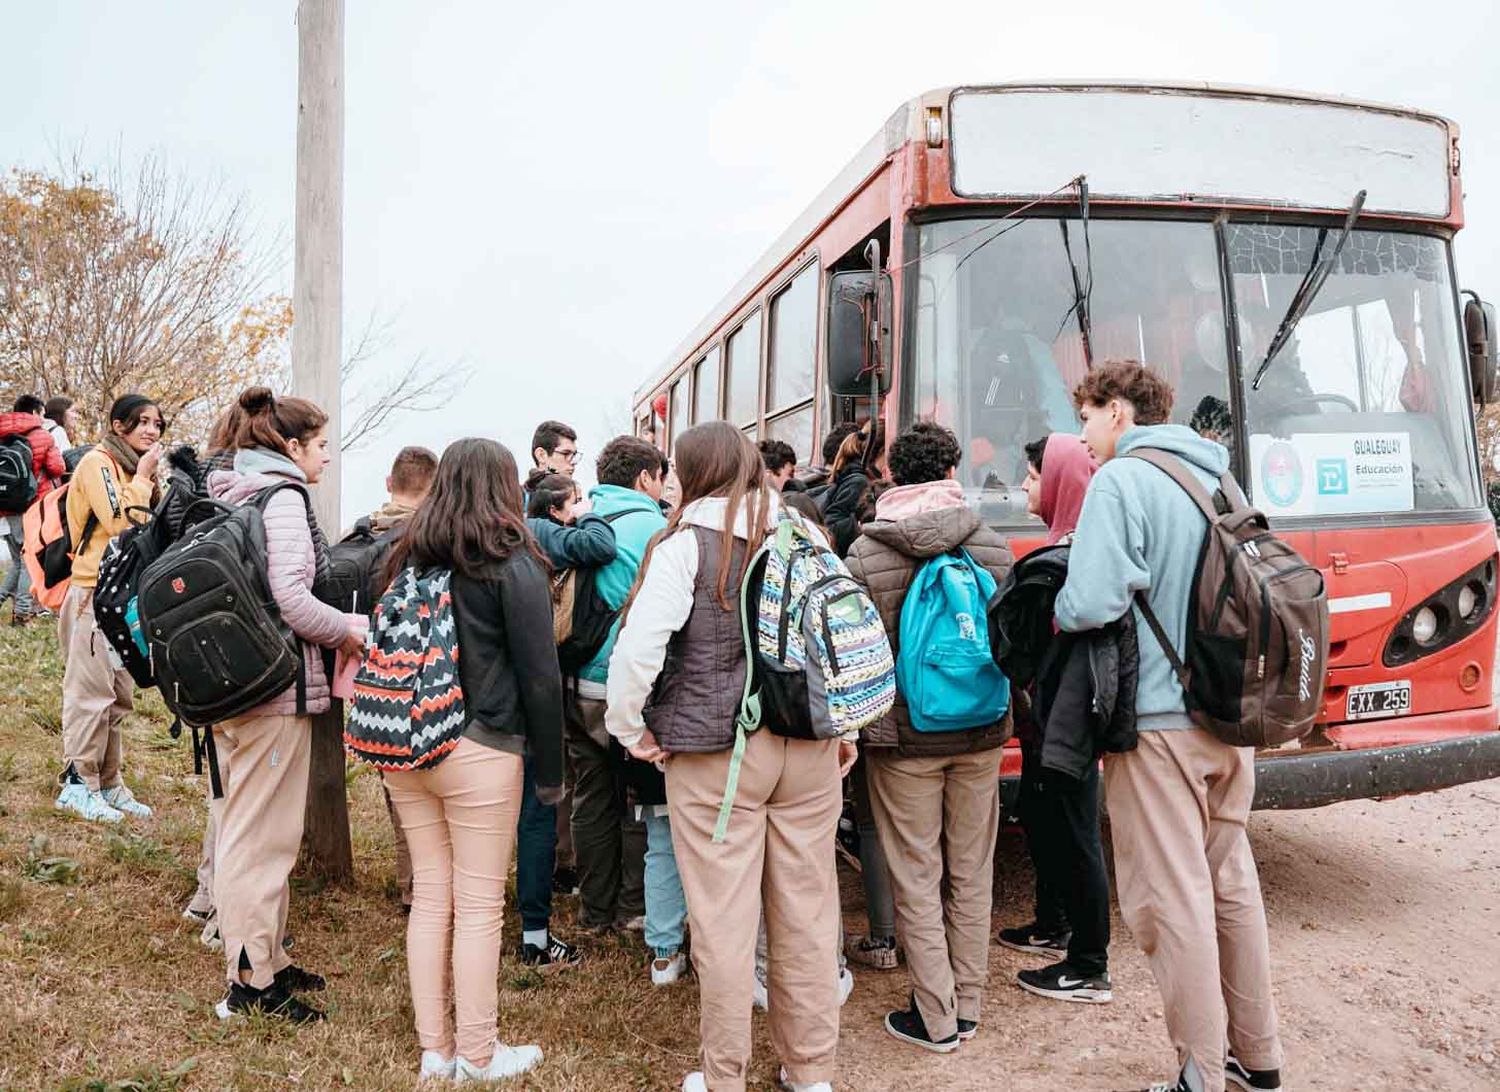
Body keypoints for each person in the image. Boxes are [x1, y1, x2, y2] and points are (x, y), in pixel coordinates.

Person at [1054, 360, 1282, 1092]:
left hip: (1157, 723)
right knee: (1230, 886)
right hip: (1230, 714)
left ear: (1118, 412)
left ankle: (1199, 1074)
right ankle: (1259, 1057)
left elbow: (1088, 602)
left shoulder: (1121, 481)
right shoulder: (1222, 478)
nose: (1082, 435)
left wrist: (1055, 608)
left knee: (1170, 898)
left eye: (1087, 417)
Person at [606, 421, 850, 1092]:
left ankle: (723, 1077)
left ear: (693, 472)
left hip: (718, 754)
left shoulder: (687, 544)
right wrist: (845, 728)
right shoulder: (805, 533)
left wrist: (632, 730)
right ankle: (810, 1073)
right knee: (807, 912)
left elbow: (637, 652)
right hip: (809, 746)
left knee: (722, 922)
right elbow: (841, 637)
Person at [381, 437, 559, 1083]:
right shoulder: (511, 564)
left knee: (431, 896)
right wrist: (553, 771)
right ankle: (479, 1055)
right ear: (506, 486)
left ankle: (436, 1051)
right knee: (481, 905)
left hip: (404, 745)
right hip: (481, 746)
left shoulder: (407, 557)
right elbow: (541, 678)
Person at [844, 420, 1013, 1054]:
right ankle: (968, 1003)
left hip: (904, 740)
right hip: (980, 730)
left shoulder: (866, 552)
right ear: (951, 470)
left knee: (917, 874)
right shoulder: (990, 543)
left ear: (890, 474)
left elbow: (854, 655)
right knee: (972, 870)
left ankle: (935, 1015)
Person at [206, 387, 363, 1023]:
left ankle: (264, 956)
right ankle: (249, 985)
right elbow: (293, 600)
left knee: (246, 826)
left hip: (229, 684)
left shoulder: (228, 487)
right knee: (260, 840)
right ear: (290, 446)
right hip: (273, 689)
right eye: (323, 444)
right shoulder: (284, 497)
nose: (328, 456)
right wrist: (352, 632)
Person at [997, 434, 1116, 1005]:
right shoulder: (1071, 544)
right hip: (1051, 717)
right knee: (1046, 817)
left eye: (1032, 474)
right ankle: (1054, 924)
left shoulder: (1079, 556)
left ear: (1061, 481)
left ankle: (1090, 964)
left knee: (1076, 830)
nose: (1024, 485)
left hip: (1068, 719)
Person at [568, 436, 664, 934]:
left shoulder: (579, 519)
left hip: (579, 681)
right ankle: (633, 907)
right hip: (631, 685)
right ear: (645, 478)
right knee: (638, 799)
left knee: (591, 795)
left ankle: (593, 909)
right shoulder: (657, 526)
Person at [54, 395, 162, 823]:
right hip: (90, 593)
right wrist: (147, 478)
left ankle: (109, 782)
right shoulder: (98, 464)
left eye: (157, 424)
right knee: (88, 694)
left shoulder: (127, 468)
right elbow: (121, 520)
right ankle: (77, 785)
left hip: (120, 597)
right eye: (142, 423)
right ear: (119, 425)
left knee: (117, 696)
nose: (151, 431)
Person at [369, 446, 439, 916]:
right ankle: (428, 884)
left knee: (398, 791)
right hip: (420, 677)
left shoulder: (362, 532)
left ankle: (409, 885)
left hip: (370, 681)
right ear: (433, 489)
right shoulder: (428, 541)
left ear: (389, 483)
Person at [1, 394, 66, 626]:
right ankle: (22, 614)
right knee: (29, 560)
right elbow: (57, 467)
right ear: (37, 413)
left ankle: (13, 605)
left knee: (19, 561)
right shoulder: (42, 435)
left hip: (5, 507)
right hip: (32, 505)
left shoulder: (2, 433)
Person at [820, 419, 885, 558]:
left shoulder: (856, 476)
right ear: (881, 451)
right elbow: (832, 525)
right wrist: (862, 524)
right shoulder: (859, 482)